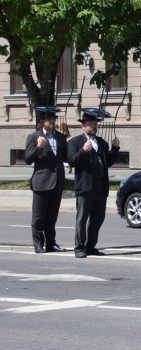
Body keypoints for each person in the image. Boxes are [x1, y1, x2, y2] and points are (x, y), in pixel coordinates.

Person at [67, 108, 121, 258]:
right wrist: (83, 151)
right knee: (82, 218)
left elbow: (107, 162)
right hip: (85, 186)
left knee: (97, 219)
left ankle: (91, 246)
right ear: (83, 126)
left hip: (100, 186)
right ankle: (79, 246)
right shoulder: (75, 142)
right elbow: (71, 160)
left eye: (95, 124)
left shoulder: (102, 143)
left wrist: (115, 148)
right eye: (90, 124)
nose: (93, 126)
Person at [25, 106, 69, 253]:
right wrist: (38, 147)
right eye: (49, 119)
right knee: (38, 216)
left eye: (54, 119)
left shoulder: (60, 137)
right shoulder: (34, 136)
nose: (52, 121)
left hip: (57, 182)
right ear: (43, 121)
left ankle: (51, 243)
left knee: (52, 216)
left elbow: (67, 157)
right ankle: (38, 243)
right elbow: (27, 159)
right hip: (42, 182)